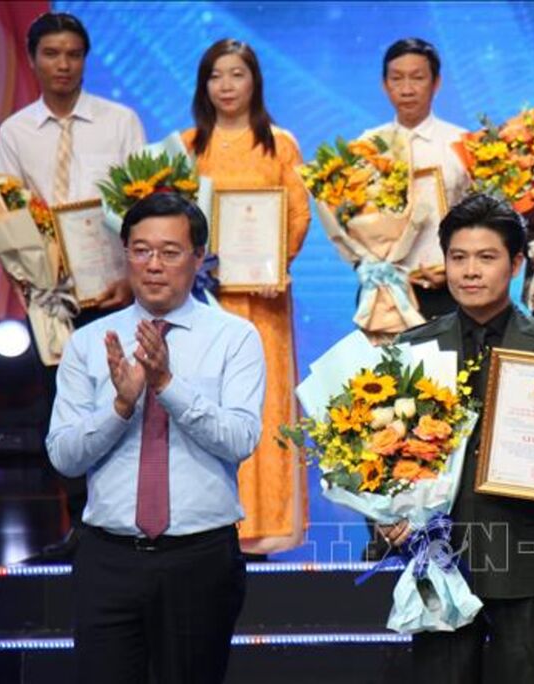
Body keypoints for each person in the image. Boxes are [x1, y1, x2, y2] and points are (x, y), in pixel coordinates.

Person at [382, 193, 534, 683]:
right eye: (458, 257)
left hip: (527, 558)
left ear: (516, 264)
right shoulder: (413, 348)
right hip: (439, 560)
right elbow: (381, 455)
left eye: (486, 257)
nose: (470, 271)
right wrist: (385, 518)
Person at [46, 192, 265, 683]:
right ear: (125, 254)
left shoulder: (235, 338)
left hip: (199, 558)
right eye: (141, 250)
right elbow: (64, 457)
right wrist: (120, 408)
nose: (153, 265)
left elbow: (240, 440)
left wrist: (167, 385)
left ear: (199, 257)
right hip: (108, 558)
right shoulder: (89, 342)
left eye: (169, 252)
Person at [0, 11, 146, 559]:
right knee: (63, 409)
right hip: (51, 299)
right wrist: (37, 283)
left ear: (86, 59)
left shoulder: (119, 121)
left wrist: (131, 279)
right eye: (52, 54)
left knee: (123, 402)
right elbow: (6, 210)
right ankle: (81, 526)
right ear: (33, 59)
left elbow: (143, 204)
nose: (63, 64)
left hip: (114, 291)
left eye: (73, 54)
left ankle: (128, 521)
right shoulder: (15, 131)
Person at [182, 38, 311, 556]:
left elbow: (297, 213)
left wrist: (276, 264)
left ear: (255, 80)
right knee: (203, 403)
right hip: (201, 303)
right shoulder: (187, 147)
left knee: (262, 405)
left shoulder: (279, 143)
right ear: (203, 85)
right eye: (216, 75)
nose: (227, 86)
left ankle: (265, 528)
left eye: (237, 74)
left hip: (264, 304)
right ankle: (204, 521)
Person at [361, 37, 470, 319]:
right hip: (384, 291)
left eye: (417, 78)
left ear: (436, 83)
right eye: (397, 79)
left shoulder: (461, 143)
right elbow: (352, 223)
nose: (407, 89)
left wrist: (456, 266)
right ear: (384, 85)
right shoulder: (367, 147)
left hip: (449, 290)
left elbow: (478, 221)